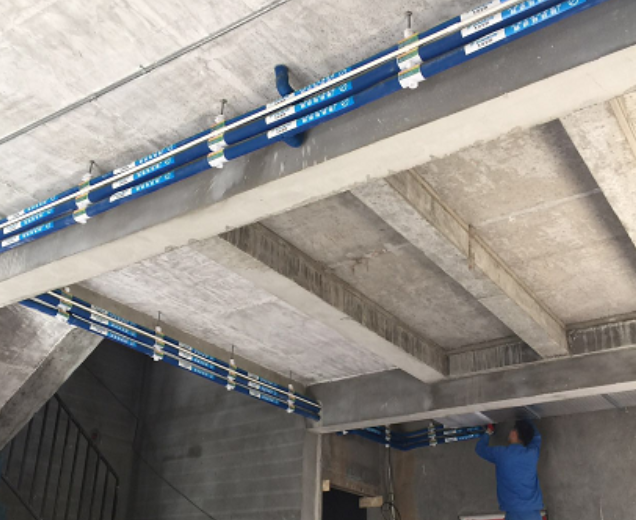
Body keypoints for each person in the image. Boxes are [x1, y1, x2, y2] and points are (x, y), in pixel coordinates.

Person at [475, 420, 544, 520]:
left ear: (514, 433)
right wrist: (488, 431)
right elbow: (479, 449)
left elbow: (480, 449)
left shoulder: (529, 454)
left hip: (526, 512)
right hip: (525, 512)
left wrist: (526, 419)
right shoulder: (531, 453)